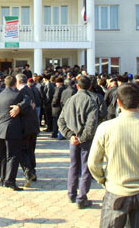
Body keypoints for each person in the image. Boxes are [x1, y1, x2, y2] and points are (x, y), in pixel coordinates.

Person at [88, 83, 139, 227]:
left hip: (116, 190)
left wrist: (103, 180)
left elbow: (93, 163)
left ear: (118, 102)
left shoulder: (105, 128)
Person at [58, 75, 99, 208]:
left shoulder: (70, 100)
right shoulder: (91, 101)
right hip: (83, 139)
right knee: (85, 167)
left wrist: (71, 136)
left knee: (74, 166)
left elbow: (61, 121)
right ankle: (81, 197)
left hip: (75, 139)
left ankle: (71, 194)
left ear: (77, 86)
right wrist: (80, 137)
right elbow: (91, 124)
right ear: (90, 87)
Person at [0, 76, 26, 191]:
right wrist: (20, 106)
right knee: (13, 155)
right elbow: (27, 100)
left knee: (2, 156)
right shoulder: (17, 95)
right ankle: (10, 180)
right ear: (15, 84)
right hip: (12, 129)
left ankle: (3, 178)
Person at [16, 74, 39, 187]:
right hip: (33, 125)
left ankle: (29, 172)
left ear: (18, 81)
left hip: (26, 126)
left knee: (24, 150)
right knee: (30, 150)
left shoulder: (22, 92)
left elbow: (27, 108)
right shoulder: (31, 89)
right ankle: (33, 172)